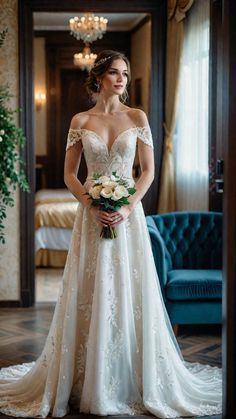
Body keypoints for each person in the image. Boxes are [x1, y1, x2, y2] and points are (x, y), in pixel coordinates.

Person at [0, 50, 222, 418]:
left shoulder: (137, 117)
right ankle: (85, 378)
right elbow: (70, 174)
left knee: (129, 289)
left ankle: (133, 377)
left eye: (125, 73)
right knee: (90, 289)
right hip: (90, 219)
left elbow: (148, 171)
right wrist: (91, 205)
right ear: (99, 76)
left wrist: (125, 207)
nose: (121, 79)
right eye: (114, 73)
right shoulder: (81, 119)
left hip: (127, 217)